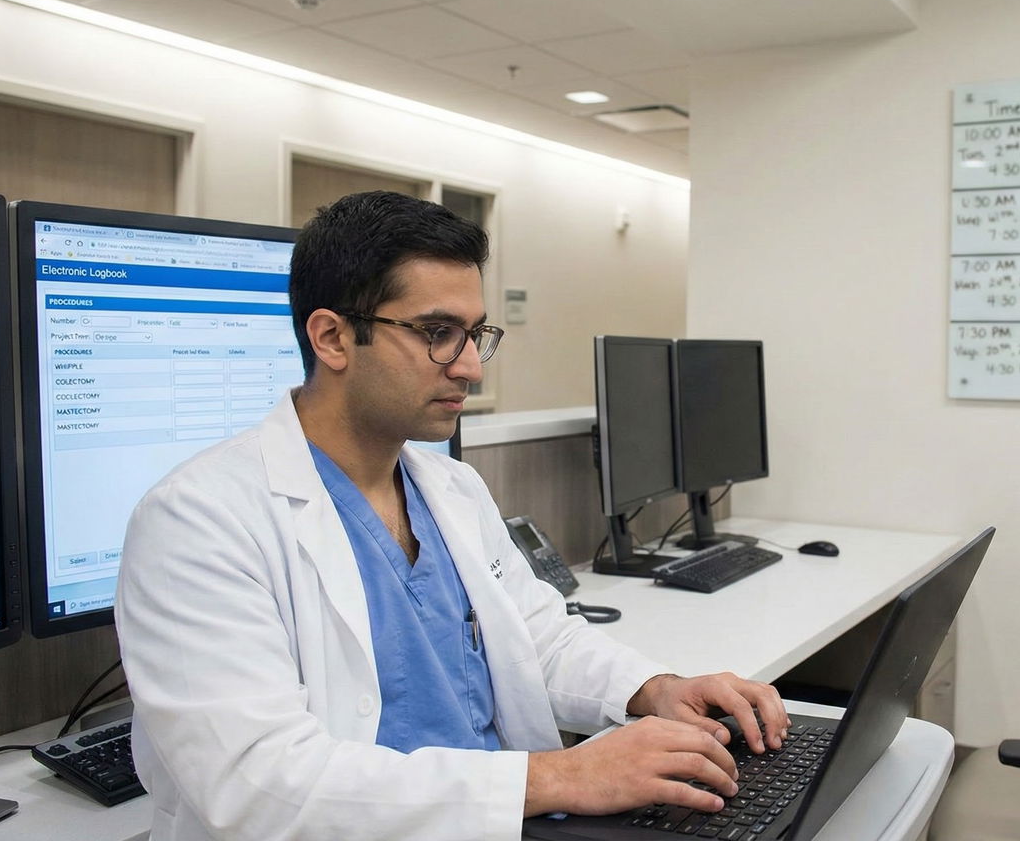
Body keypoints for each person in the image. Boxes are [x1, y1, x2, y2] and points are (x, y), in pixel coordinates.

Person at [114, 191, 789, 841]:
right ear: (333, 338)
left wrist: (654, 689)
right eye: (438, 333)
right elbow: (259, 785)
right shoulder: (197, 521)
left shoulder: (452, 488)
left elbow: (536, 638)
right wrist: (565, 775)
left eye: (475, 335)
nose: (470, 368)